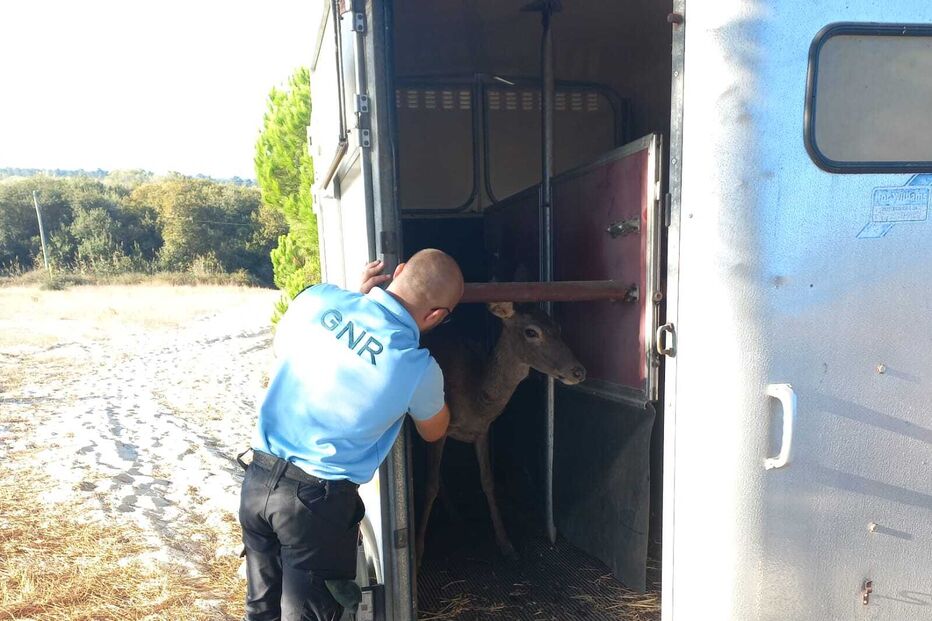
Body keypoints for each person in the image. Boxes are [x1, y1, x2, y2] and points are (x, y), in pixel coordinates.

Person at [238, 249, 464, 621]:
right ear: (438, 316)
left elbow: (285, 349)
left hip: (258, 480)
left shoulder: (317, 299)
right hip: (315, 506)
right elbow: (433, 429)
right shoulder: (418, 368)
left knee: (260, 609)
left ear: (400, 271)